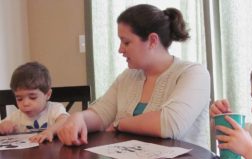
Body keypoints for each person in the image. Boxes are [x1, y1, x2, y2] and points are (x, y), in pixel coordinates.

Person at [57, 4, 211, 148]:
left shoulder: (193, 73)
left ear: (152, 41)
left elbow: (168, 124)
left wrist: (119, 124)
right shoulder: (128, 77)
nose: (120, 49)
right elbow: (101, 114)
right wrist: (79, 118)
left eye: (126, 42)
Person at [0, 62, 69, 143]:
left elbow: (65, 121)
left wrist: (50, 131)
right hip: (25, 154)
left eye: (32, 97)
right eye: (19, 99)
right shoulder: (16, 116)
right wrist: (2, 127)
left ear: (47, 94)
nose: (25, 103)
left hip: (52, 153)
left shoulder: (55, 109)